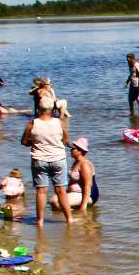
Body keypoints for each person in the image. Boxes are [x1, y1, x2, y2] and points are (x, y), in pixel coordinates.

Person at [21, 96, 72, 226]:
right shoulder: (60, 122)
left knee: (41, 191)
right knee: (61, 190)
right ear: (52, 109)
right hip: (58, 159)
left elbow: (24, 142)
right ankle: (69, 219)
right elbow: (66, 141)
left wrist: (34, 142)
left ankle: (40, 221)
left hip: (39, 159)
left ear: (39, 108)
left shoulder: (32, 123)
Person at [51, 137, 98, 211]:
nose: (71, 150)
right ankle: (73, 214)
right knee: (53, 201)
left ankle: (74, 217)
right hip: (75, 193)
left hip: (86, 195)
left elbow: (88, 185)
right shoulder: (76, 163)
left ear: (80, 150)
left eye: (73, 148)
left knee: (56, 203)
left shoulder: (85, 165)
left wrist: (83, 205)